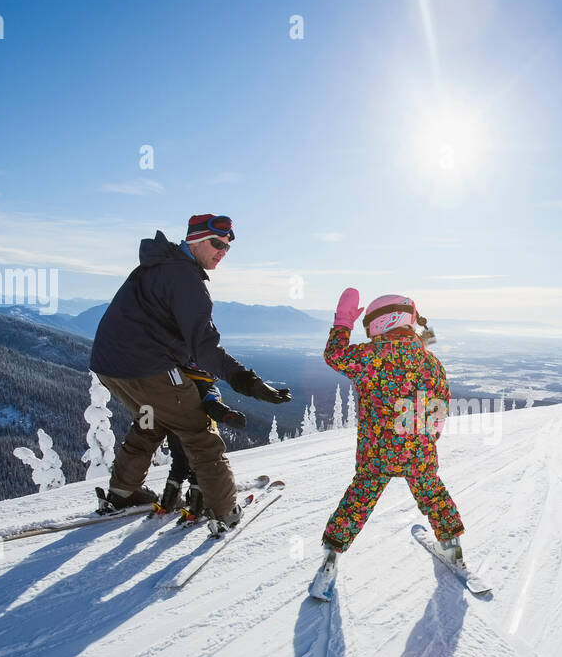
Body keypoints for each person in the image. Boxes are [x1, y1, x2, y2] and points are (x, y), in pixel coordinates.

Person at [90, 214, 291, 534]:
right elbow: (205, 348)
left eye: (226, 247)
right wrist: (247, 381)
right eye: (216, 243)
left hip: (109, 366)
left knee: (150, 419)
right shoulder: (186, 279)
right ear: (194, 241)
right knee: (198, 433)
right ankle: (223, 510)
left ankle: (122, 492)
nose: (222, 251)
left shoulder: (156, 266)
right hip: (147, 367)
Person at [318, 287, 465, 566]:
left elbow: (334, 355)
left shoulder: (369, 356)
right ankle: (453, 548)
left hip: (377, 454)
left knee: (358, 500)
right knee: (433, 494)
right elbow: (441, 405)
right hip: (419, 452)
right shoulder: (431, 361)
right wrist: (431, 436)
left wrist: (342, 322)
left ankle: (330, 559)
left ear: (381, 321)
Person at [157, 363, 245, 516]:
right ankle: (197, 506)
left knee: (179, 465)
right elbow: (212, 405)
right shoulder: (206, 387)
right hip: (197, 435)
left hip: (174, 433)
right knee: (201, 467)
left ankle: (167, 501)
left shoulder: (177, 385)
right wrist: (228, 415)